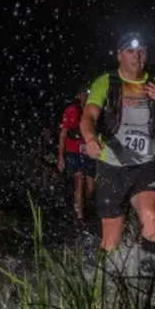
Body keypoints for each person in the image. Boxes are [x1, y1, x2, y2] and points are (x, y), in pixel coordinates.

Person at [79, 31, 155, 275]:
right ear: (119, 55)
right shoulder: (107, 82)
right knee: (111, 241)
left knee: (152, 218)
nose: (137, 55)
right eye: (131, 50)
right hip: (111, 167)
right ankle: (96, 280)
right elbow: (88, 116)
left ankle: (146, 281)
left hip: (145, 165)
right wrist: (90, 139)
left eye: (142, 50)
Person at [58, 84, 97, 222]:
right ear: (79, 96)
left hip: (88, 151)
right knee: (78, 179)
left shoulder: (94, 110)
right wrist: (60, 157)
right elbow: (63, 134)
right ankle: (79, 215)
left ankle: (85, 203)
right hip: (73, 151)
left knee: (91, 188)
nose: (86, 97)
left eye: (88, 94)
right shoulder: (71, 110)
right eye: (83, 94)